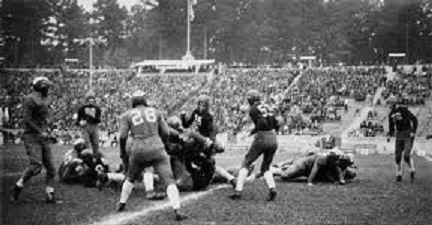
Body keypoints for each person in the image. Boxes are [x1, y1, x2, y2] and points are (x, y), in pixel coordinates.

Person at [116, 91, 187, 221]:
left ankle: (122, 203)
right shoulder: (155, 112)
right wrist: (162, 144)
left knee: (130, 177)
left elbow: (122, 136)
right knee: (169, 180)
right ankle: (177, 210)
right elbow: (166, 132)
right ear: (145, 101)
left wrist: (122, 152)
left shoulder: (126, 115)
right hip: (156, 147)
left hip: (137, 148)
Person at [11, 77, 58, 203]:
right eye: (46, 86)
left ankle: (50, 194)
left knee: (51, 169)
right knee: (36, 166)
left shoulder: (45, 99)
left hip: (42, 136)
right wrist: (40, 131)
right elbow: (27, 119)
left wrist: (49, 132)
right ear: (41, 86)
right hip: (32, 135)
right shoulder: (30, 99)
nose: (48, 89)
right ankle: (18, 186)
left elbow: (45, 120)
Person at [230, 89, 279, 201]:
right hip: (273, 137)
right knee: (265, 167)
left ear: (250, 99)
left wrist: (251, 132)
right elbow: (276, 123)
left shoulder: (253, 109)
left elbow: (262, 123)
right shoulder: (267, 106)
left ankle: (238, 191)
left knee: (246, 162)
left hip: (262, 137)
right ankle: (272, 188)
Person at [270, 150, 356, 185]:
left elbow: (338, 172)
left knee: (352, 174)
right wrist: (310, 182)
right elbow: (315, 170)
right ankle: (274, 170)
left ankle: (286, 164)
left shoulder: (336, 161)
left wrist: (337, 180)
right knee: (285, 176)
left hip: (308, 169)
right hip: (304, 166)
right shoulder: (322, 159)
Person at [387, 101, 418, 182]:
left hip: (408, 134)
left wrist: (413, 131)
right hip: (399, 135)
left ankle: (412, 169)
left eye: (390, 104)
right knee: (397, 156)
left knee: (406, 156)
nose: (389, 106)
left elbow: (414, 120)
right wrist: (390, 134)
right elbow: (391, 127)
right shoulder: (391, 114)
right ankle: (398, 173)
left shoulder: (403, 110)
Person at [76, 92, 102, 156]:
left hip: (94, 126)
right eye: (89, 99)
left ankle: (95, 157)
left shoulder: (97, 108)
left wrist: (92, 116)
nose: (91, 101)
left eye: (92, 99)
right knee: (86, 143)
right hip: (85, 127)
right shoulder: (81, 108)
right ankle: (88, 157)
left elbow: (99, 120)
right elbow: (77, 120)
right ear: (87, 100)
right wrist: (80, 123)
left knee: (96, 143)